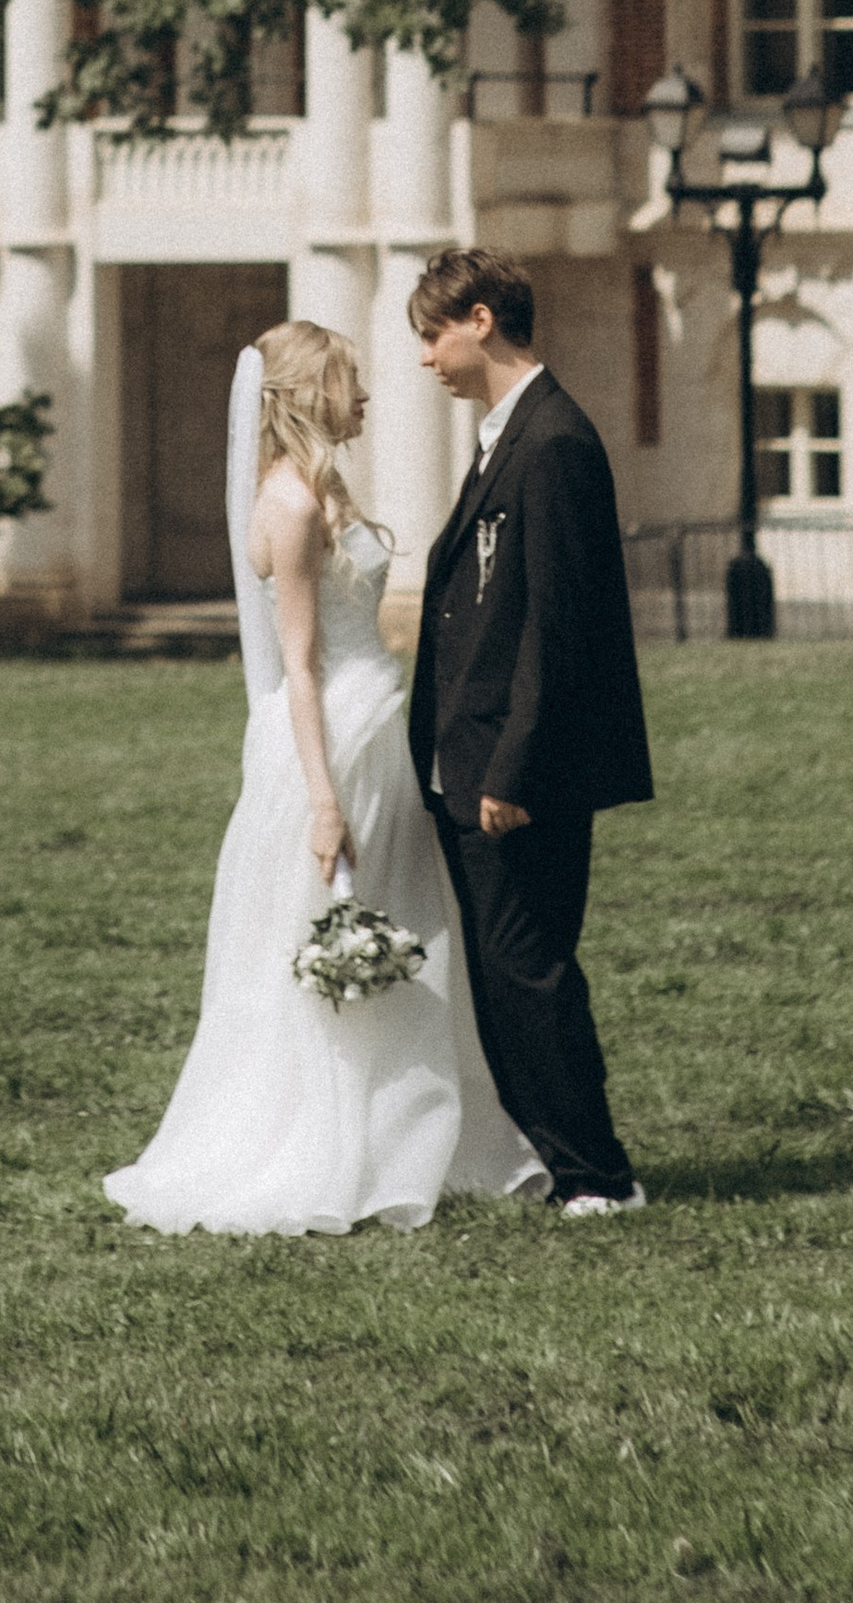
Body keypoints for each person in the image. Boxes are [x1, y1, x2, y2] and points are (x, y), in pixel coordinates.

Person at [106, 320, 546, 1235]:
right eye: (350, 382)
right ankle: (330, 1143)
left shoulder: (322, 488)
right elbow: (298, 664)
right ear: (309, 395)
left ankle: (417, 1135)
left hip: (377, 726)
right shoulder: (292, 507)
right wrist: (321, 800)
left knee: (409, 924)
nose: (369, 397)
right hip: (333, 740)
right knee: (342, 930)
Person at [407, 244, 653, 1217]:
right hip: (469, 763)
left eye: (431, 333)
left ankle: (597, 1173)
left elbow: (561, 626)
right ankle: (569, 1165)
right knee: (510, 973)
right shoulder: (507, 437)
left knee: (529, 969)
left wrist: (512, 768)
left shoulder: (552, 442)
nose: (426, 359)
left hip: (518, 772)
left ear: (479, 318)